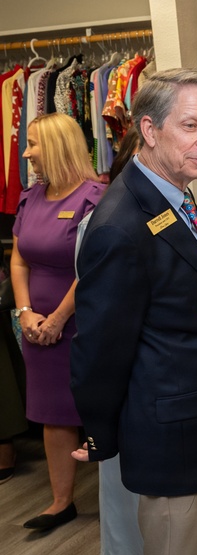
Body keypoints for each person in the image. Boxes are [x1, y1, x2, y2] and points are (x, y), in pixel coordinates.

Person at [71, 69, 197, 555]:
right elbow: (99, 348)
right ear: (148, 129)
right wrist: (99, 432)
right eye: (191, 126)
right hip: (172, 438)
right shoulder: (121, 223)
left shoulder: (175, 198)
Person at [11, 112, 104, 530]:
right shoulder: (30, 198)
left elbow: (93, 265)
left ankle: (121, 506)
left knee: (99, 409)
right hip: (37, 324)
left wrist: (60, 318)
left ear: (57, 146)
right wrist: (25, 312)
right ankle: (60, 501)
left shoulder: (93, 198)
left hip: (84, 319)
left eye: (33, 143)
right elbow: (18, 259)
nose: (26, 152)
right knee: (53, 412)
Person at [72, 126, 145, 555]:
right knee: (116, 469)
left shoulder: (168, 212)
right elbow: (96, 309)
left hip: (154, 367)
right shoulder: (106, 220)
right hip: (118, 364)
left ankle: (144, 552)